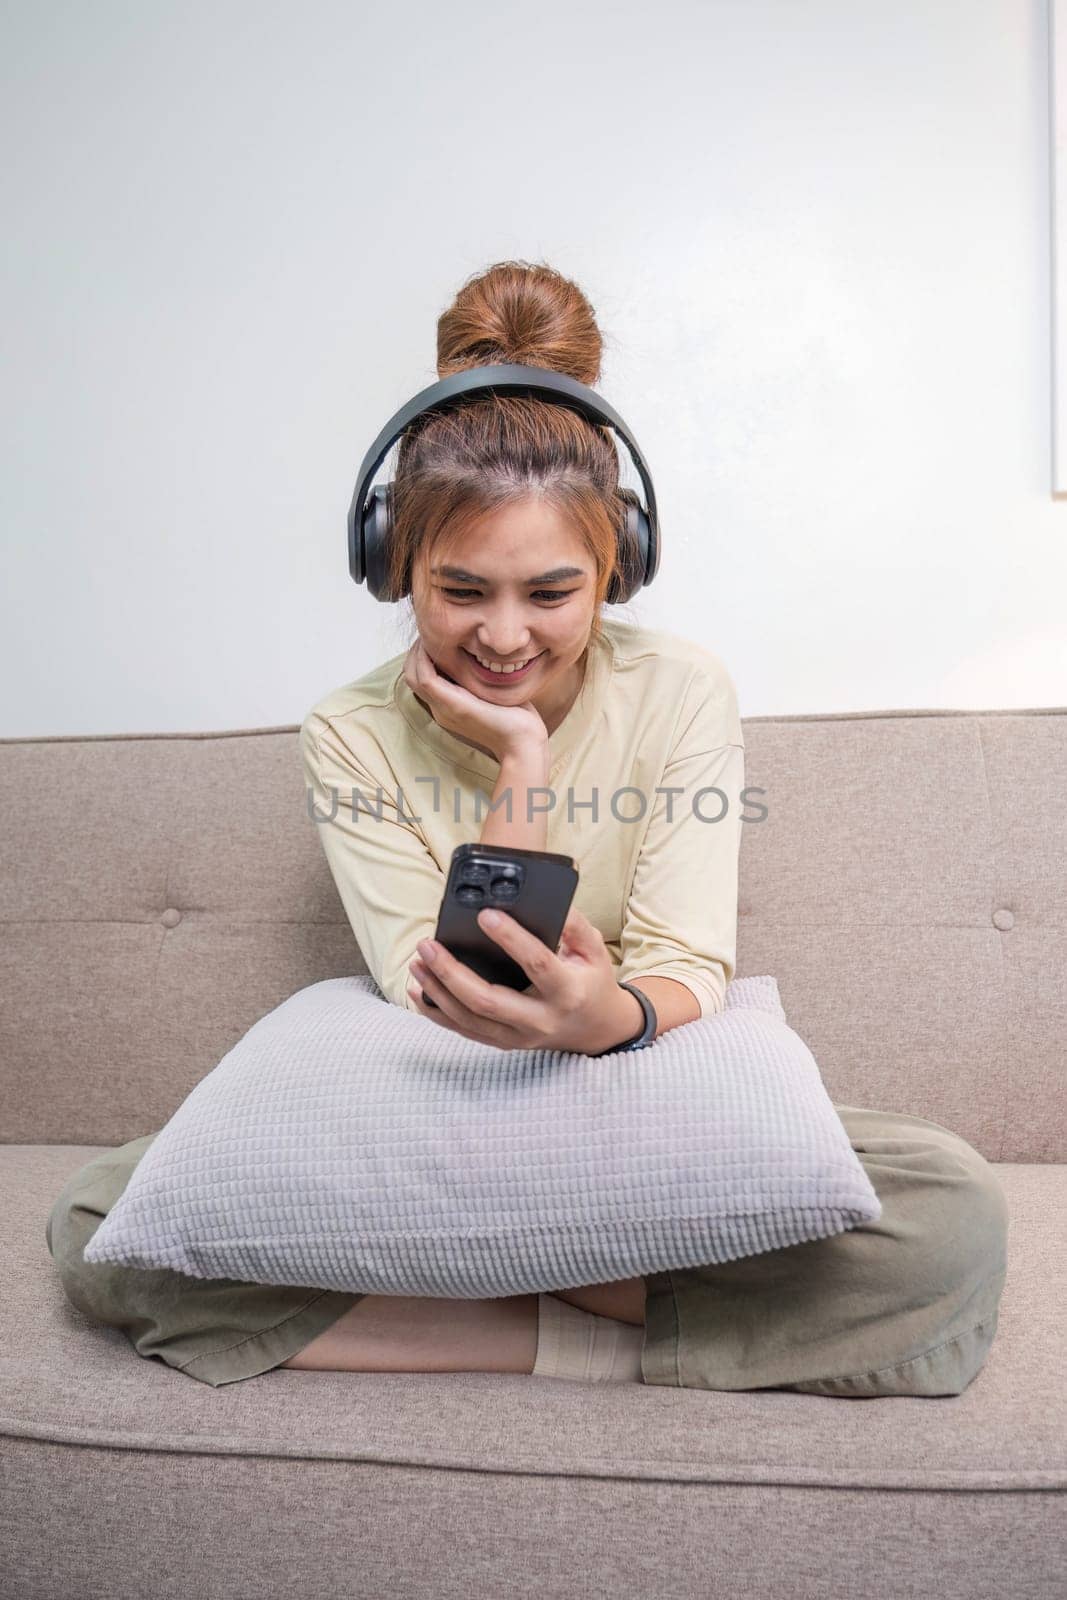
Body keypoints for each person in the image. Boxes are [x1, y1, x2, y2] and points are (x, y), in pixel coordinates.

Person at [46, 261, 1008, 1392]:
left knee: (949, 1215)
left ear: (618, 568)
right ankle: (593, 1334)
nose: (503, 637)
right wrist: (521, 754)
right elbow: (444, 992)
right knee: (101, 1219)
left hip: (630, 1086)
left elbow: (688, 963)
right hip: (443, 1097)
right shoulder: (347, 730)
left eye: (550, 594)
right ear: (391, 565)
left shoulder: (681, 687)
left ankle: (493, 1301)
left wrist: (607, 1016)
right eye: (460, 591)